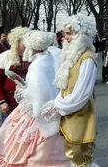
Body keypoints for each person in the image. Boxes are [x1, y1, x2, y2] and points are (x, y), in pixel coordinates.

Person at [0, 30, 70, 167]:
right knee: (12, 138)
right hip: (13, 101)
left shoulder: (37, 62)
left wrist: (23, 90)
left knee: (22, 147)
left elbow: (39, 89)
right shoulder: (9, 56)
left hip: (29, 106)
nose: (25, 45)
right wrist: (2, 101)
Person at [41, 15, 100, 167]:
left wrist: (58, 105)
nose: (65, 38)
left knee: (81, 157)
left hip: (80, 115)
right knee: (72, 157)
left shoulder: (86, 59)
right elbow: (64, 87)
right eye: (65, 34)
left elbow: (82, 94)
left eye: (69, 34)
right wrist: (57, 102)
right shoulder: (72, 58)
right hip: (69, 114)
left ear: (81, 35)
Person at [0, 27, 31, 123]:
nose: (28, 44)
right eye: (25, 41)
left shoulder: (31, 56)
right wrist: (2, 101)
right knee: (8, 131)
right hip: (9, 100)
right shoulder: (5, 56)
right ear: (17, 41)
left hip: (28, 100)